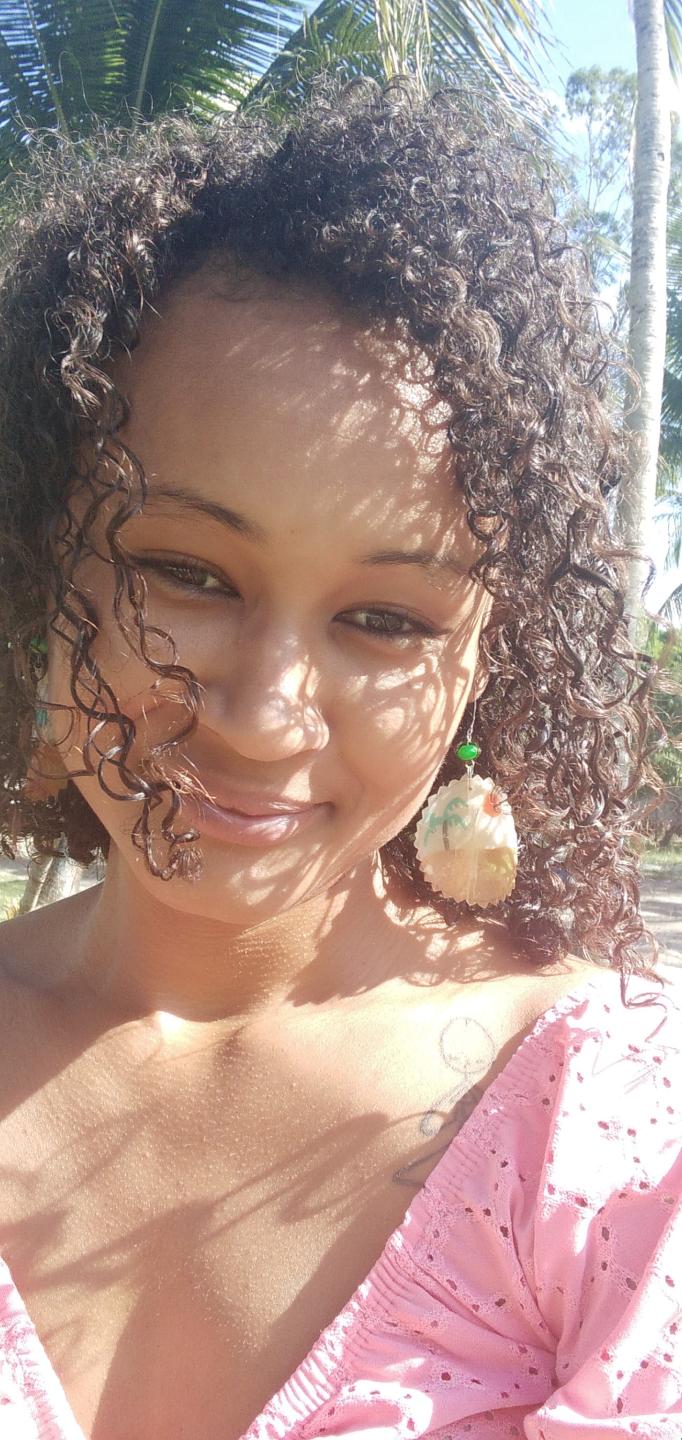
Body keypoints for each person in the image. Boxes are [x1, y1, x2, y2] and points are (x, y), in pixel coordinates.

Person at [0, 72, 679, 1440]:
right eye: (186, 572)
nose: (265, 715)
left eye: (386, 619)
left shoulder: (618, 1139)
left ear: (486, 656)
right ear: (36, 559)